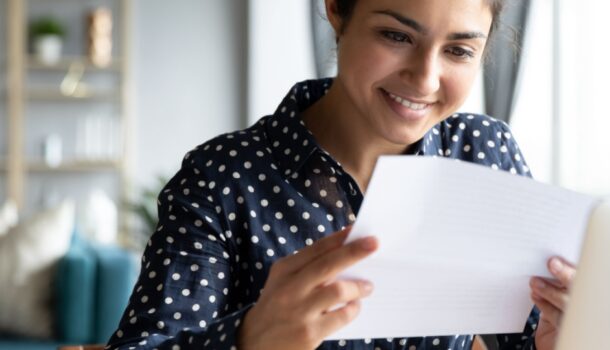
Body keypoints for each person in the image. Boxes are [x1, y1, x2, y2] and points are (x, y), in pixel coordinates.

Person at [106, 0, 576, 349]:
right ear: (336, 10)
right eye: (396, 36)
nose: (425, 79)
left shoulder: (484, 153)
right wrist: (248, 338)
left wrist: (563, 337)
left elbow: (526, 335)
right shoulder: (222, 177)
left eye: (457, 51)